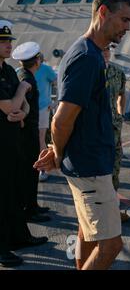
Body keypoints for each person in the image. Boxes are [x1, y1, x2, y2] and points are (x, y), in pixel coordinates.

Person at [34, 0, 130, 270]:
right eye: (124, 19)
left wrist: (58, 150)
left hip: (88, 162)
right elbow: (61, 119)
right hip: (89, 167)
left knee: (87, 233)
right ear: (103, 12)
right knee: (111, 245)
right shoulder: (86, 57)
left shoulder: (87, 52)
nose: (128, 27)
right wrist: (57, 152)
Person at [0, 21, 47, 268]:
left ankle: (19, 237)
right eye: (3, 41)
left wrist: (19, 107)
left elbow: (22, 108)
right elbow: (10, 105)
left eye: (9, 40)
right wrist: (22, 91)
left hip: (12, 141)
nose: (9, 44)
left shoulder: (7, 70)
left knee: (13, 193)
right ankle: (2, 248)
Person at [12, 42, 51, 223]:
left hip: (28, 132)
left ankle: (32, 205)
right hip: (27, 134)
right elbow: (19, 107)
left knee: (31, 172)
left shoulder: (22, 74)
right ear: (37, 61)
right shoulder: (27, 79)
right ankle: (30, 210)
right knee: (29, 172)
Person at [102, 44, 129, 222]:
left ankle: (112, 210)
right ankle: (101, 212)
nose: (106, 53)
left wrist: (120, 114)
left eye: (108, 50)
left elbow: (121, 95)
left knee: (115, 169)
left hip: (114, 129)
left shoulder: (118, 73)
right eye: (103, 50)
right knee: (98, 172)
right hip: (96, 130)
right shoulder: (90, 72)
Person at [35, 53, 57, 182]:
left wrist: (53, 103)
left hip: (43, 109)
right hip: (26, 110)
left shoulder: (46, 69)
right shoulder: (20, 71)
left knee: (40, 139)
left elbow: (57, 83)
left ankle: (42, 169)